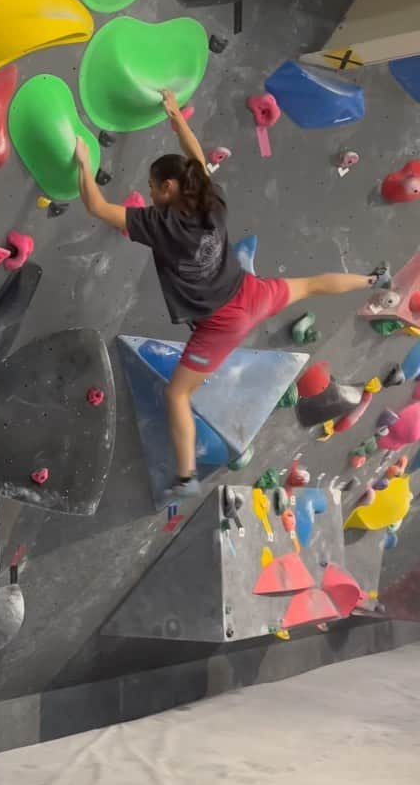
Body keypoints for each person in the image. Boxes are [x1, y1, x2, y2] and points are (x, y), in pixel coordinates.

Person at [75, 90, 390, 506]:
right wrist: (176, 117)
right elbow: (195, 157)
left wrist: (83, 161)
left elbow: (96, 205)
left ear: (169, 187)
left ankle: (186, 476)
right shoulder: (210, 199)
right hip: (252, 293)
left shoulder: (160, 224)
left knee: (177, 395)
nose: (150, 195)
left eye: (154, 188)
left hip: (223, 323)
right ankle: (373, 280)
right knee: (312, 284)